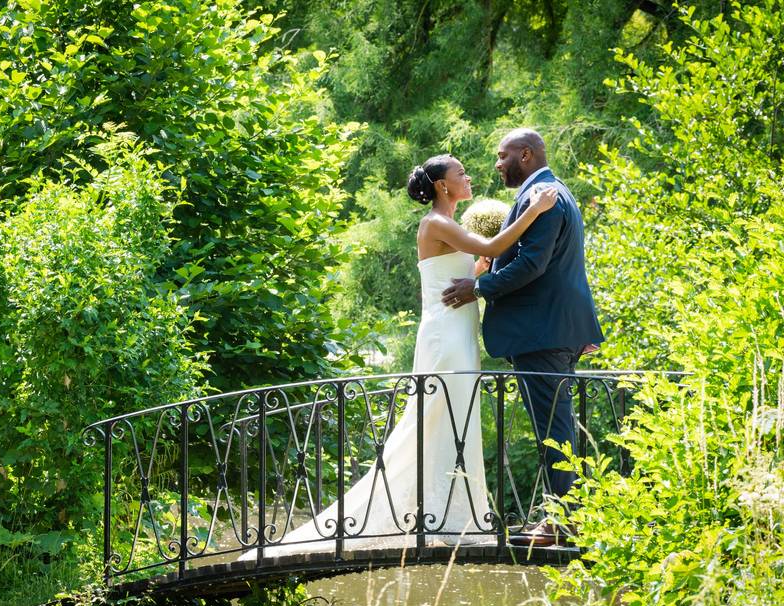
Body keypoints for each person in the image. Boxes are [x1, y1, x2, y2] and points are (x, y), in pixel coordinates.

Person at [239, 154, 557, 559]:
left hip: (460, 334)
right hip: (446, 337)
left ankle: (451, 513)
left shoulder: (449, 225)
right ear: (443, 185)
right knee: (432, 419)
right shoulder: (435, 223)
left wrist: (483, 268)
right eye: (461, 173)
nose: (469, 176)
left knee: (457, 418)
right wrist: (534, 210)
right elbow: (495, 245)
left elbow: (476, 264)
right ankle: (421, 512)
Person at [441, 128, 605, 546]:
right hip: (551, 329)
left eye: (502, 156)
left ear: (526, 155)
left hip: (543, 333)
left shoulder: (542, 198)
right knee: (555, 423)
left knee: (554, 426)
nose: (497, 165)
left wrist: (477, 289)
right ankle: (563, 516)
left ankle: (563, 522)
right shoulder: (552, 192)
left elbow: (532, 265)